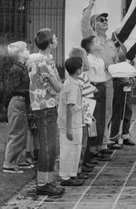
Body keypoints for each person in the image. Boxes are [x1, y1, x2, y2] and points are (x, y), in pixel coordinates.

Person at [27, 28, 65, 196]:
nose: (56, 40)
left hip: (42, 106)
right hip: (46, 107)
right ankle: (43, 183)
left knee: (49, 145)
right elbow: (57, 86)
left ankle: (48, 180)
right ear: (50, 43)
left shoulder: (39, 58)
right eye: (54, 38)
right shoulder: (44, 61)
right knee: (49, 146)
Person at [81, 0, 119, 153]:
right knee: (93, 113)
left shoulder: (111, 42)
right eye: (101, 20)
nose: (105, 21)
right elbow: (83, 22)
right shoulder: (91, 37)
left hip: (108, 81)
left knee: (107, 112)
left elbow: (116, 61)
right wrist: (91, 3)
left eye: (106, 20)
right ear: (94, 24)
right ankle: (91, 146)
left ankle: (103, 143)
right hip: (93, 83)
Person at [2, 41, 33, 174]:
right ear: (20, 53)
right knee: (16, 133)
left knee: (21, 132)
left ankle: (19, 160)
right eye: (26, 49)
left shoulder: (21, 67)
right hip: (17, 102)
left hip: (21, 102)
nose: (28, 52)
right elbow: (12, 89)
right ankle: (9, 162)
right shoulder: (16, 69)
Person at [68, 46, 98, 177]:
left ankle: (82, 163)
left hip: (87, 107)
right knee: (83, 139)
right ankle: (78, 166)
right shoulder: (80, 77)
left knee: (86, 137)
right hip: (85, 108)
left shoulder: (81, 76)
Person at [81, 35, 111, 161]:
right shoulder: (87, 59)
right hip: (93, 88)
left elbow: (103, 75)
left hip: (102, 86)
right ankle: (91, 149)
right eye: (97, 42)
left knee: (100, 118)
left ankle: (98, 146)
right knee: (92, 119)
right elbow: (86, 76)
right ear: (92, 47)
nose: (100, 44)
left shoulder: (100, 59)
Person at [58, 57, 85, 187]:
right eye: (81, 66)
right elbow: (70, 107)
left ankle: (71, 174)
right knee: (70, 150)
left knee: (73, 150)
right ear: (77, 69)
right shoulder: (72, 86)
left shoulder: (71, 82)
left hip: (73, 122)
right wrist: (69, 127)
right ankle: (66, 176)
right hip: (72, 124)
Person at [109, 45, 136, 148]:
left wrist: (132, 80)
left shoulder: (129, 49)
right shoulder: (115, 50)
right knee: (117, 112)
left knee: (128, 111)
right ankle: (113, 137)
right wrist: (122, 80)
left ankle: (125, 135)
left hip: (128, 85)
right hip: (118, 85)